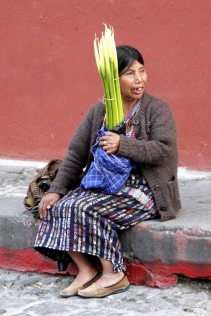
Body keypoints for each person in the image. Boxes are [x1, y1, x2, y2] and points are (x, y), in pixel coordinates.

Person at [34, 45, 181, 298]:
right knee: (57, 206)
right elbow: (76, 153)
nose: (139, 79)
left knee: (86, 208)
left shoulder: (157, 109)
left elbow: (164, 150)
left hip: (145, 189)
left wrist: (122, 144)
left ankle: (113, 274)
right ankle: (86, 271)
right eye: (130, 73)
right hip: (106, 185)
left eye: (142, 71)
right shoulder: (99, 112)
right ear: (113, 80)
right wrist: (56, 190)